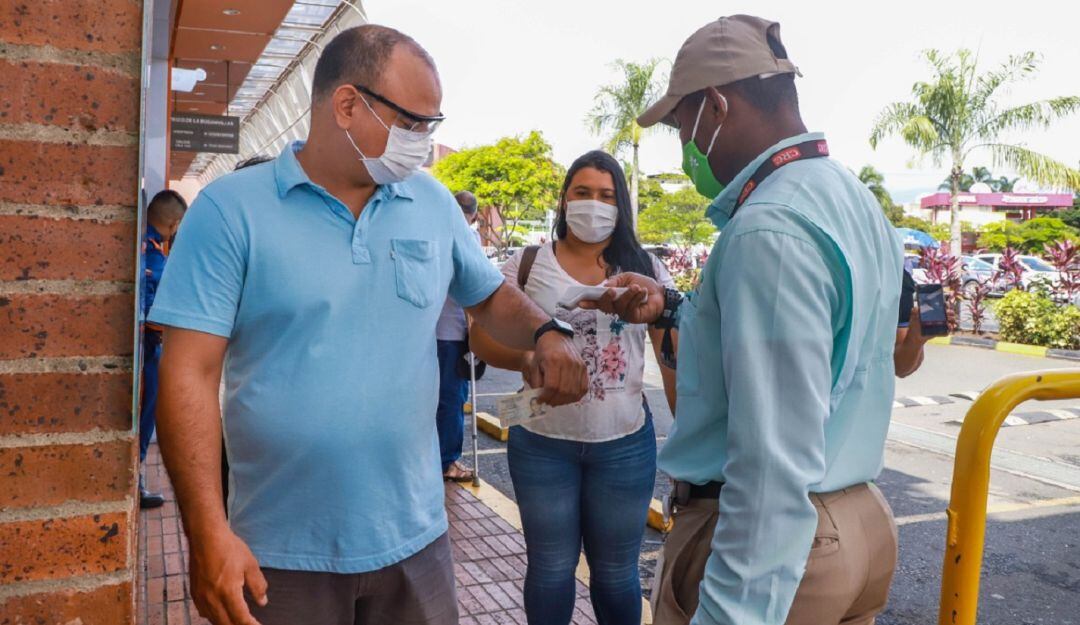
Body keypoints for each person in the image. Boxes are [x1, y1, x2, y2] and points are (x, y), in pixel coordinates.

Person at [148, 25, 587, 625]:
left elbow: (489, 296)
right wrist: (205, 532)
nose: (425, 143)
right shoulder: (230, 211)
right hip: (279, 553)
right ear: (347, 105)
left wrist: (546, 331)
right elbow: (188, 374)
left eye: (432, 126)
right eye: (412, 123)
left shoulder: (430, 203)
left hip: (417, 543)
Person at [583, 15, 903, 625]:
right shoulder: (849, 197)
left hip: (786, 550)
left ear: (716, 107)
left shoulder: (769, 227)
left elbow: (770, 465)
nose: (685, 150)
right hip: (857, 524)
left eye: (681, 128)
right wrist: (675, 307)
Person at [470, 150, 678, 625]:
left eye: (606, 195)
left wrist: (687, 442)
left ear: (621, 205)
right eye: (582, 193)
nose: (593, 204)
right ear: (564, 199)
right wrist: (525, 357)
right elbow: (480, 334)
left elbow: (671, 361)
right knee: (549, 568)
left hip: (624, 444)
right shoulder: (527, 263)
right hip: (541, 443)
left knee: (616, 573)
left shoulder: (646, 267)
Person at [138, 189, 187, 509]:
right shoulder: (150, 252)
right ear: (174, 222)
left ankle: (137, 474)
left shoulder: (149, 246)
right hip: (149, 345)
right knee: (145, 412)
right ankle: (137, 477)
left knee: (148, 411)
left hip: (151, 345)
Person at [436, 190, 481, 482]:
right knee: (453, 400)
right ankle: (447, 461)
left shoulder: (436, 230)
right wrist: (476, 333)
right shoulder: (468, 238)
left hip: (429, 332)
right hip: (453, 333)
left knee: (433, 399)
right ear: (475, 215)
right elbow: (472, 291)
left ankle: (434, 457)